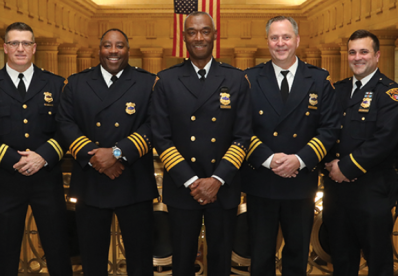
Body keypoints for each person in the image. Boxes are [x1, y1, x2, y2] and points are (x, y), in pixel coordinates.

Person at [151, 11, 251, 276]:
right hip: (184, 188)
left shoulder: (236, 79)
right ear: (183, 37)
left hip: (223, 187)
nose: (199, 37)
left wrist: (216, 180)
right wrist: (192, 182)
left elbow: (242, 136)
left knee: (220, 262)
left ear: (214, 36)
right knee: (182, 261)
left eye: (205, 31)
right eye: (192, 32)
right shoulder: (166, 80)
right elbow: (161, 137)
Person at [242, 16, 340, 275]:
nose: (280, 43)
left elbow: (329, 129)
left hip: (300, 182)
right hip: (262, 180)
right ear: (267, 42)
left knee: (297, 254)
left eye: (286, 37)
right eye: (274, 38)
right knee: (260, 253)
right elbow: (241, 129)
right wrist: (269, 159)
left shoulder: (318, 80)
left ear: (297, 40)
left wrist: (298, 160)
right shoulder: (250, 79)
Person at [56, 28, 158, 276]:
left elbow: (155, 124)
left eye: (119, 46)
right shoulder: (76, 83)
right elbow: (65, 123)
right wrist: (97, 158)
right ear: (99, 49)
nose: (113, 51)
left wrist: (116, 153)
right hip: (91, 182)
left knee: (140, 260)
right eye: (107, 46)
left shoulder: (149, 83)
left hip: (134, 181)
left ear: (128, 50)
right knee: (91, 261)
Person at [0, 22, 72, 276]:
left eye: (25, 43)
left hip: (47, 179)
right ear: (5, 48)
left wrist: (43, 156)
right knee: (6, 252)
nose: (20, 48)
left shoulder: (56, 85)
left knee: (57, 250)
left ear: (34, 48)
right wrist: (13, 159)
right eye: (14, 43)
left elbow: (66, 128)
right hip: (5, 180)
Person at [323, 30, 398, 276]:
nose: (357, 57)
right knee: (342, 260)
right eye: (352, 52)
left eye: (364, 52)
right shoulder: (339, 89)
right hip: (337, 192)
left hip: (372, 191)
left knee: (378, 261)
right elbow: (325, 129)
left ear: (377, 55)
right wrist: (330, 164)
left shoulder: (390, 94)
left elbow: (384, 140)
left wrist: (345, 168)